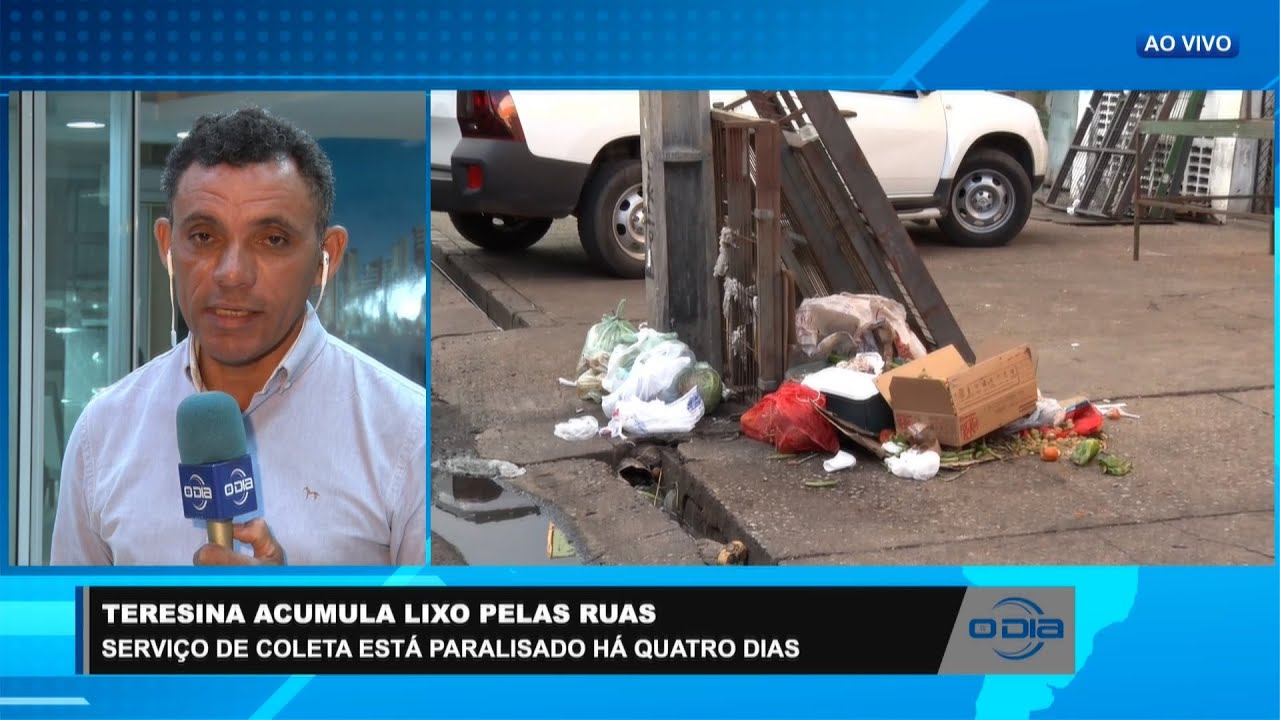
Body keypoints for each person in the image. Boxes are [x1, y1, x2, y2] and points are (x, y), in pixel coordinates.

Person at [49, 106, 426, 566]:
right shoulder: (102, 433)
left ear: (325, 256)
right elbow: (73, 613)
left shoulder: (408, 434)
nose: (232, 274)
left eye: (272, 240)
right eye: (203, 237)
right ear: (168, 246)